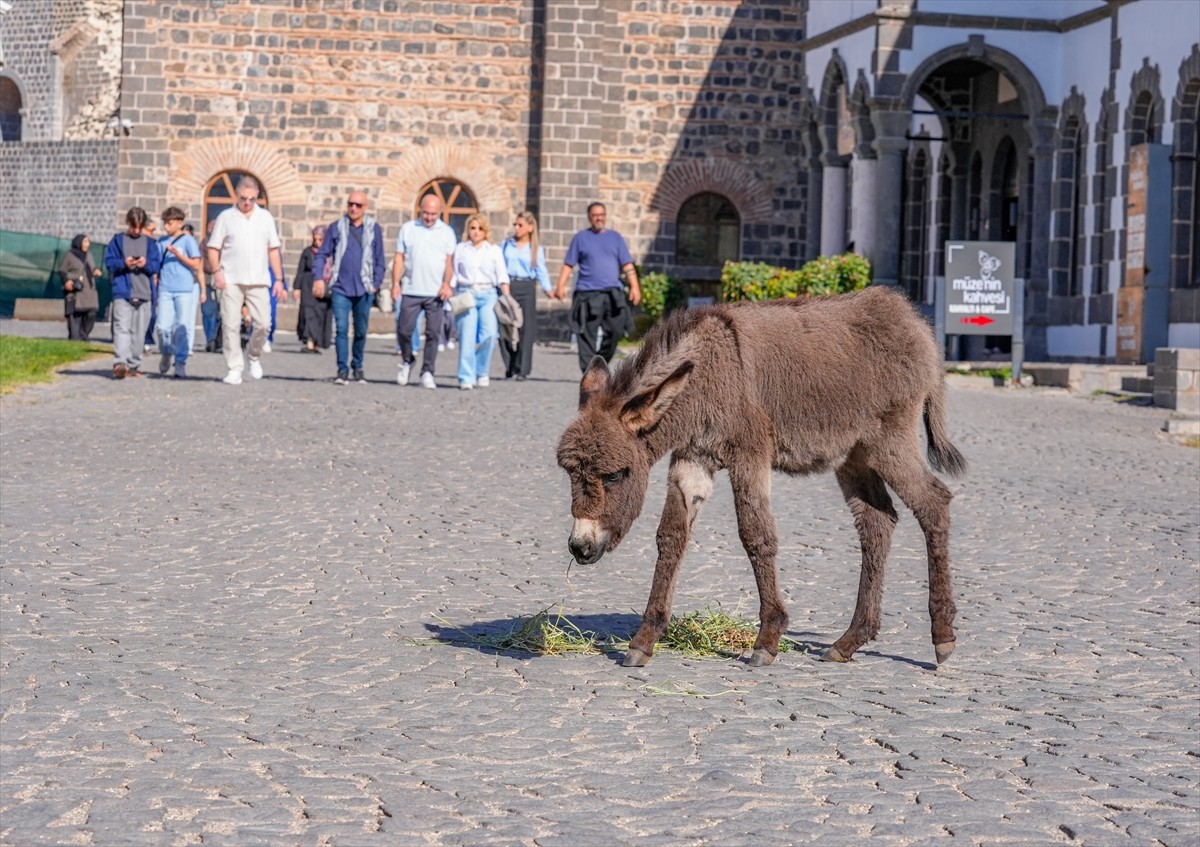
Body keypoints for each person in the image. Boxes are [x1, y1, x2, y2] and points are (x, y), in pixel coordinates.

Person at [205, 175, 285, 385]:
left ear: (257, 196)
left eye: (251, 198)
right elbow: (213, 247)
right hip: (231, 278)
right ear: (236, 196)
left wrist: (279, 279)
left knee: (263, 324)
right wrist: (217, 272)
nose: (247, 202)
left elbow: (273, 249)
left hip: (259, 279)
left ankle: (254, 355)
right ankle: (234, 367)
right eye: (243, 198)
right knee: (230, 324)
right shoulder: (225, 217)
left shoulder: (265, 218)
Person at [554, 201, 642, 372]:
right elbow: (568, 264)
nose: (599, 218)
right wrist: (560, 286)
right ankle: (590, 376)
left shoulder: (615, 238)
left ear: (605, 216)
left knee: (616, 331)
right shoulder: (580, 238)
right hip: (586, 294)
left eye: (601, 215)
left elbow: (627, 264)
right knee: (586, 336)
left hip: (612, 294)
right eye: (595, 215)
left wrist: (635, 286)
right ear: (589, 217)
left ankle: (598, 367)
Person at [315, 190, 386, 385]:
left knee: (361, 330)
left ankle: (358, 365)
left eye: (358, 205)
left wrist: (376, 283)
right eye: (350, 204)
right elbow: (322, 254)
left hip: (364, 288)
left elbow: (380, 259)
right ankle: (342, 370)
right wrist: (318, 277)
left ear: (365, 208)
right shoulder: (337, 227)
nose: (353, 208)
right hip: (340, 287)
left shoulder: (373, 229)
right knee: (341, 329)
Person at [391, 193, 455, 389]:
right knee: (404, 330)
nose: (429, 217)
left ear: (439, 213)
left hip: (435, 292)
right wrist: (395, 283)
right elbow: (399, 258)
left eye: (433, 214)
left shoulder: (447, 232)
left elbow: (449, 262)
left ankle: (427, 370)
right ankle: (408, 359)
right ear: (420, 210)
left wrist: (447, 283)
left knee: (433, 333)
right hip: (411, 289)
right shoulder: (408, 229)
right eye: (426, 213)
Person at [450, 213, 510, 390]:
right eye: (473, 228)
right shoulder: (461, 248)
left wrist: (507, 298)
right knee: (467, 336)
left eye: (480, 229)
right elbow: (453, 274)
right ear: (468, 229)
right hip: (466, 293)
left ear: (486, 231)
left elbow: (502, 276)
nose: (476, 232)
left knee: (490, 334)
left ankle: (481, 370)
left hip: (488, 293)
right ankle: (466, 376)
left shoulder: (493, 250)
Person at [104, 207, 162, 379]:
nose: (136, 231)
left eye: (139, 227)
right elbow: (109, 262)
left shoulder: (150, 244)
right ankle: (120, 363)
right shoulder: (117, 241)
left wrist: (145, 264)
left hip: (144, 293)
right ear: (127, 223)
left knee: (139, 332)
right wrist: (124, 263)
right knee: (122, 328)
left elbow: (157, 265)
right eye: (133, 227)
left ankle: (134, 365)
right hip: (123, 291)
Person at [500, 210, 553, 380]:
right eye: (515, 224)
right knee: (504, 328)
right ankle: (510, 365)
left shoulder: (535, 248)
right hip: (508, 286)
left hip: (527, 287)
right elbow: (499, 265)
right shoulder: (506, 244)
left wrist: (548, 289)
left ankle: (522, 369)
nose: (516, 228)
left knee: (526, 330)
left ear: (530, 227)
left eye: (520, 225)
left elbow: (541, 271)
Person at [154, 207, 203, 378]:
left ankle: (180, 362)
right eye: (165, 223)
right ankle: (166, 352)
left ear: (179, 223)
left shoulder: (188, 241)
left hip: (184, 289)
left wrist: (178, 255)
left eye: (170, 223)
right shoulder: (161, 241)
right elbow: (157, 264)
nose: (166, 227)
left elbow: (196, 264)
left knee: (182, 327)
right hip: (166, 288)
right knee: (162, 327)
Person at [294, 224, 331, 354]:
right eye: (315, 239)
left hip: (324, 289)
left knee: (321, 315)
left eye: (320, 240)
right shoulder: (307, 252)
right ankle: (309, 342)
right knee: (308, 314)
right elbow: (300, 271)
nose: (317, 242)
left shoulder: (330, 253)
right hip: (308, 286)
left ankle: (317, 342)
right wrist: (297, 288)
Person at [58, 234, 101, 342]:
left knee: (91, 313)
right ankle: (75, 338)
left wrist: (96, 271)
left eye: (88, 242)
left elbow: (92, 267)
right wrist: (67, 282)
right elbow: (62, 271)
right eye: (85, 242)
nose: (88, 244)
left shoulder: (89, 255)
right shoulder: (70, 255)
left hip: (89, 291)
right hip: (75, 291)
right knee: (75, 317)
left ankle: (84, 334)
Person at [199, 219, 222, 353]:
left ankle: (217, 340)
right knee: (207, 311)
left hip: (221, 279)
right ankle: (210, 339)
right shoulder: (204, 244)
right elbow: (200, 263)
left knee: (220, 313)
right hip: (207, 280)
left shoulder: (225, 243)